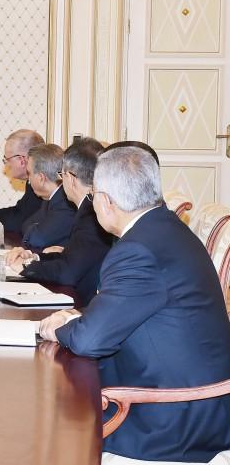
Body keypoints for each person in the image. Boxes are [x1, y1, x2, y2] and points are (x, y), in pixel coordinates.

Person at [39, 146, 230, 462]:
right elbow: (134, 305)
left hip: (172, 421)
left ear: (105, 201)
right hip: (196, 406)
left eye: (93, 196)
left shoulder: (138, 249)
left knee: (49, 430)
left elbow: (89, 340)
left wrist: (59, 329)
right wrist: (78, 316)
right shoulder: (164, 229)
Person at [6, 138, 111, 304]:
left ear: (70, 178)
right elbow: (72, 258)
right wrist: (34, 257)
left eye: (61, 175)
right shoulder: (87, 209)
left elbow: (68, 272)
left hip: (86, 305)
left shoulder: (90, 214)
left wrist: (26, 267)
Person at [0, 129, 44, 232]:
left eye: (7, 159)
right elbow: (18, 210)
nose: (6, 165)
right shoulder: (31, 181)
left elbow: (20, 222)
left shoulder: (42, 183)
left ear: (22, 160)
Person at [19, 143, 76, 249]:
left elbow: (38, 239)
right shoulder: (49, 199)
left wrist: (37, 228)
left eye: (30, 173)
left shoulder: (66, 203)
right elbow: (25, 225)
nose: (29, 180)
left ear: (41, 178)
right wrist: (37, 228)